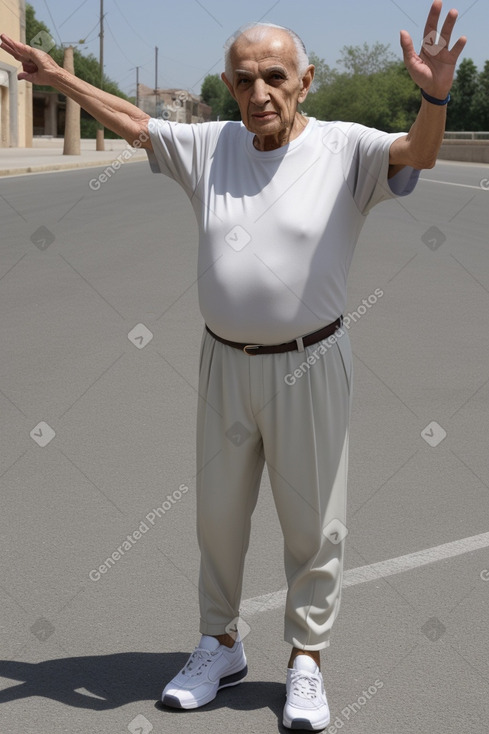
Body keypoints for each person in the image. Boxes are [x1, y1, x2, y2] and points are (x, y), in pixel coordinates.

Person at [0, 2, 466, 730]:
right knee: (217, 521)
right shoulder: (211, 146)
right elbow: (132, 121)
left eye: (275, 77)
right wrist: (59, 77)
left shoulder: (346, 148)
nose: (260, 93)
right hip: (224, 363)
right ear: (227, 83)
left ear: (304, 80)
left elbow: (420, 152)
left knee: (314, 525)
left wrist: (434, 94)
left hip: (310, 363)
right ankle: (219, 644)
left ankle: (306, 661)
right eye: (244, 79)